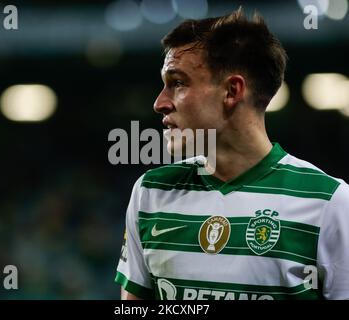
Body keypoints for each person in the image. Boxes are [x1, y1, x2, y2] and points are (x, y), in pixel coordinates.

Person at [114, 8, 349, 300]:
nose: (159, 103)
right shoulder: (150, 192)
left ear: (231, 91)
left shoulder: (330, 203)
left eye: (177, 83)